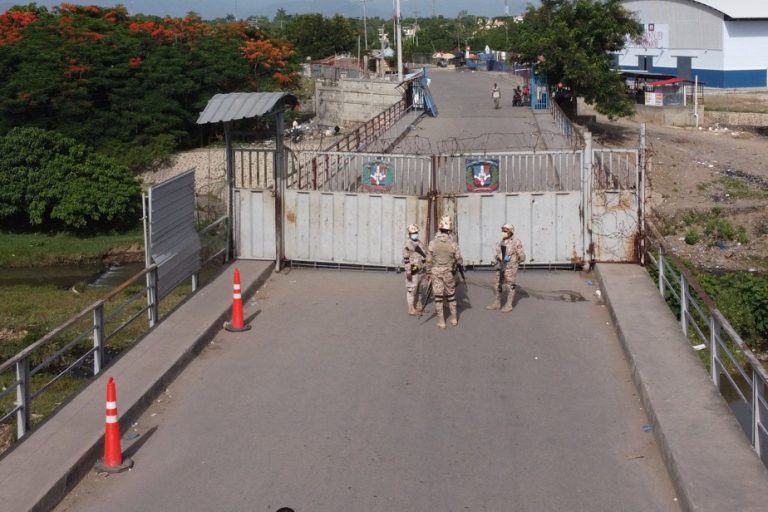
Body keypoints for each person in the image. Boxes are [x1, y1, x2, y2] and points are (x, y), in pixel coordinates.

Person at [427, 216, 464, 329]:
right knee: (451, 295)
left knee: (438, 297)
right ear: (450, 229)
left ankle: (441, 321)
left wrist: (428, 272)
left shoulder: (433, 243)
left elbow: (429, 259)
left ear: (439, 227)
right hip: (449, 272)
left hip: (436, 272)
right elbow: (459, 259)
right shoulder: (453, 243)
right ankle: (454, 318)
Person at [486, 223, 525, 313]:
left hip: (510, 268)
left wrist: (515, 262)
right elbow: (496, 254)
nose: (503, 232)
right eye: (502, 230)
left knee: (510, 285)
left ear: (511, 232)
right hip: (500, 266)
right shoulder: (501, 242)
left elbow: (522, 256)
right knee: (497, 284)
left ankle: (509, 304)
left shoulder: (516, 241)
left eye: (505, 231)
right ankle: (497, 303)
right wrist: (498, 258)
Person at [402, 224, 428, 316]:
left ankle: (419, 306)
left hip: (421, 268)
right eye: (413, 233)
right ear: (409, 234)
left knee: (420, 289)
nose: (415, 234)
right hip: (413, 268)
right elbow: (406, 259)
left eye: (416, 232)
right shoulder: (408, 243)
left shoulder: (419, 242)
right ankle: (411, 309)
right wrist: (408, 271)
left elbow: (424, 254)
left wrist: (426, 268)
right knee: (412, 289)